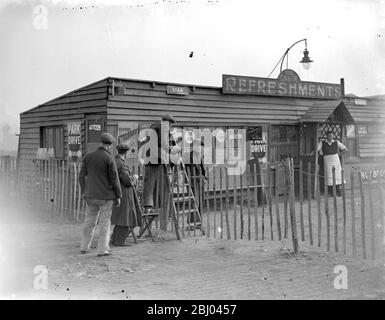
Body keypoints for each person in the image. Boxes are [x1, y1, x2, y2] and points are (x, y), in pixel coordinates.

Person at [79, 132, 122, 257]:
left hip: (90, 196)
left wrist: (84, 191)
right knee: (104, 223)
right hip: (105, 196)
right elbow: (114, 179)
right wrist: (118, 195)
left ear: (100, 142)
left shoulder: (88, 157)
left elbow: (81, 176)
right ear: (110, 145)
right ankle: (102, 250)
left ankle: (84, 247)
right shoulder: (109, 158)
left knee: (89, 222)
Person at [142, 113, 180, 232]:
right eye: (170, 125)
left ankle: (148, 211)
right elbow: (165, 144)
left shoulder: (154, 126)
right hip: (157, 162)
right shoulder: (162, 127)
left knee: (149, 188)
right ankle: (161, 221)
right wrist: (173, 149)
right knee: (163, 191)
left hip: (151, 161)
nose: (170, 127)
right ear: (167, 122)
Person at [111, 143, 142, 246]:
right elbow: (127, 181)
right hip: (124, 193)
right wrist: (134, 178)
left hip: (116, 192)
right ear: (126, 153)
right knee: (126, 217)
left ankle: (114, 239)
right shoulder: (122, 163)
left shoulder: (114, 161)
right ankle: (119, 241)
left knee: (119, 217)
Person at [317, 130, 347, 197]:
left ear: (333, 136)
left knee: (337, 176)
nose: (330, 137)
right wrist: (320, 154)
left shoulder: (336, 142)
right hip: (327, 161)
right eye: (328, 136)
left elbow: (345, 149)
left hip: (336, 161)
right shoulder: (322, 143)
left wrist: (338, 155)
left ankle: (339, 192)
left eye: (331, 136)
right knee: (329, 177)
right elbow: (317, 150)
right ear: (326, 136)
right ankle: (331, 192)